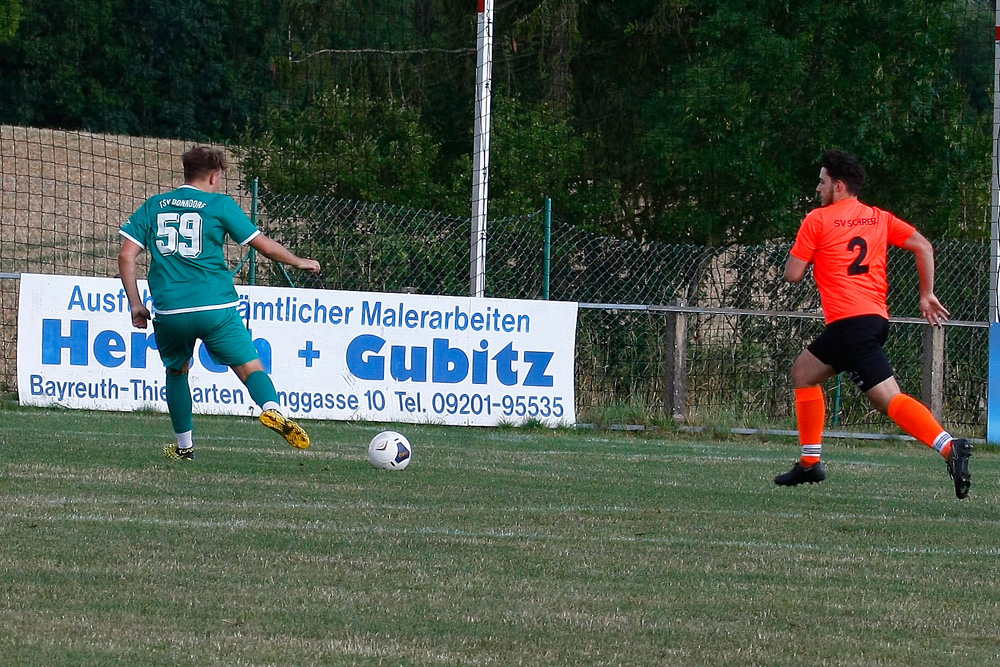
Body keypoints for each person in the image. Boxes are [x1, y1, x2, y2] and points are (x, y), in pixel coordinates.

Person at [776, 149, 972, 499]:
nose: (817, 188)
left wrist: (812, 250)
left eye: (821, 182)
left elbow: (792, 274)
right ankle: (809, 462)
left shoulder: (817, 220)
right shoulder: (877, 217)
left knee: (888, 399)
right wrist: (925, 294)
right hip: (873, 319)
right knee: (804, 372)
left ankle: (949, 446)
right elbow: (923, 246)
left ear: (838, 185)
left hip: (850, 323)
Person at [118, 146, 321, 460]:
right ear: (214, 176)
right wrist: (297, 261)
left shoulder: (154, 206)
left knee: (177, 373)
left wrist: (135, 304)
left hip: (171, 310)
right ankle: (271, 409)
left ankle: (184, 448)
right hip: (215, 307)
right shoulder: (219, 204)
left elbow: (126, 255)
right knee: (250, 367)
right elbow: (262, 245)